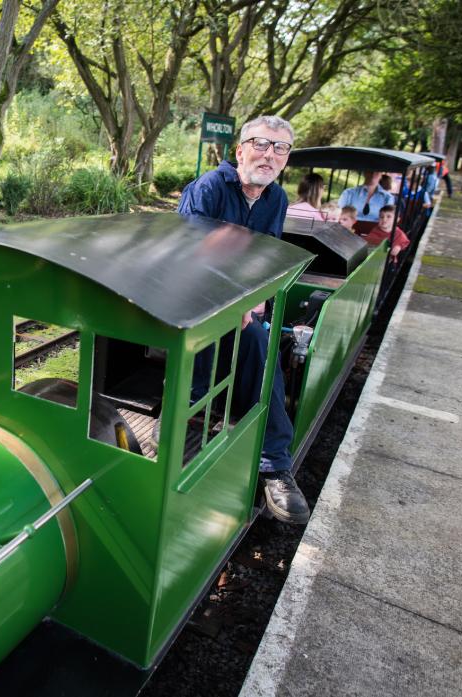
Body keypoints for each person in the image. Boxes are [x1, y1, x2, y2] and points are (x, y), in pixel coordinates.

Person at [178, 115, 310, 525]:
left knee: (264, 344)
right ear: (240, 151)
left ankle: (272, 461)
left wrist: (255, 302)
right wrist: (233, 304)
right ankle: (263, 458)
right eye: (261, 144)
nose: (269, 154)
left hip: (242, 307)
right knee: (253, 343)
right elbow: (186, 258)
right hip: (192, 300)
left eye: (280, 148)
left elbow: (264, 259)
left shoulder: (276, 199)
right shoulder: (209, 189)